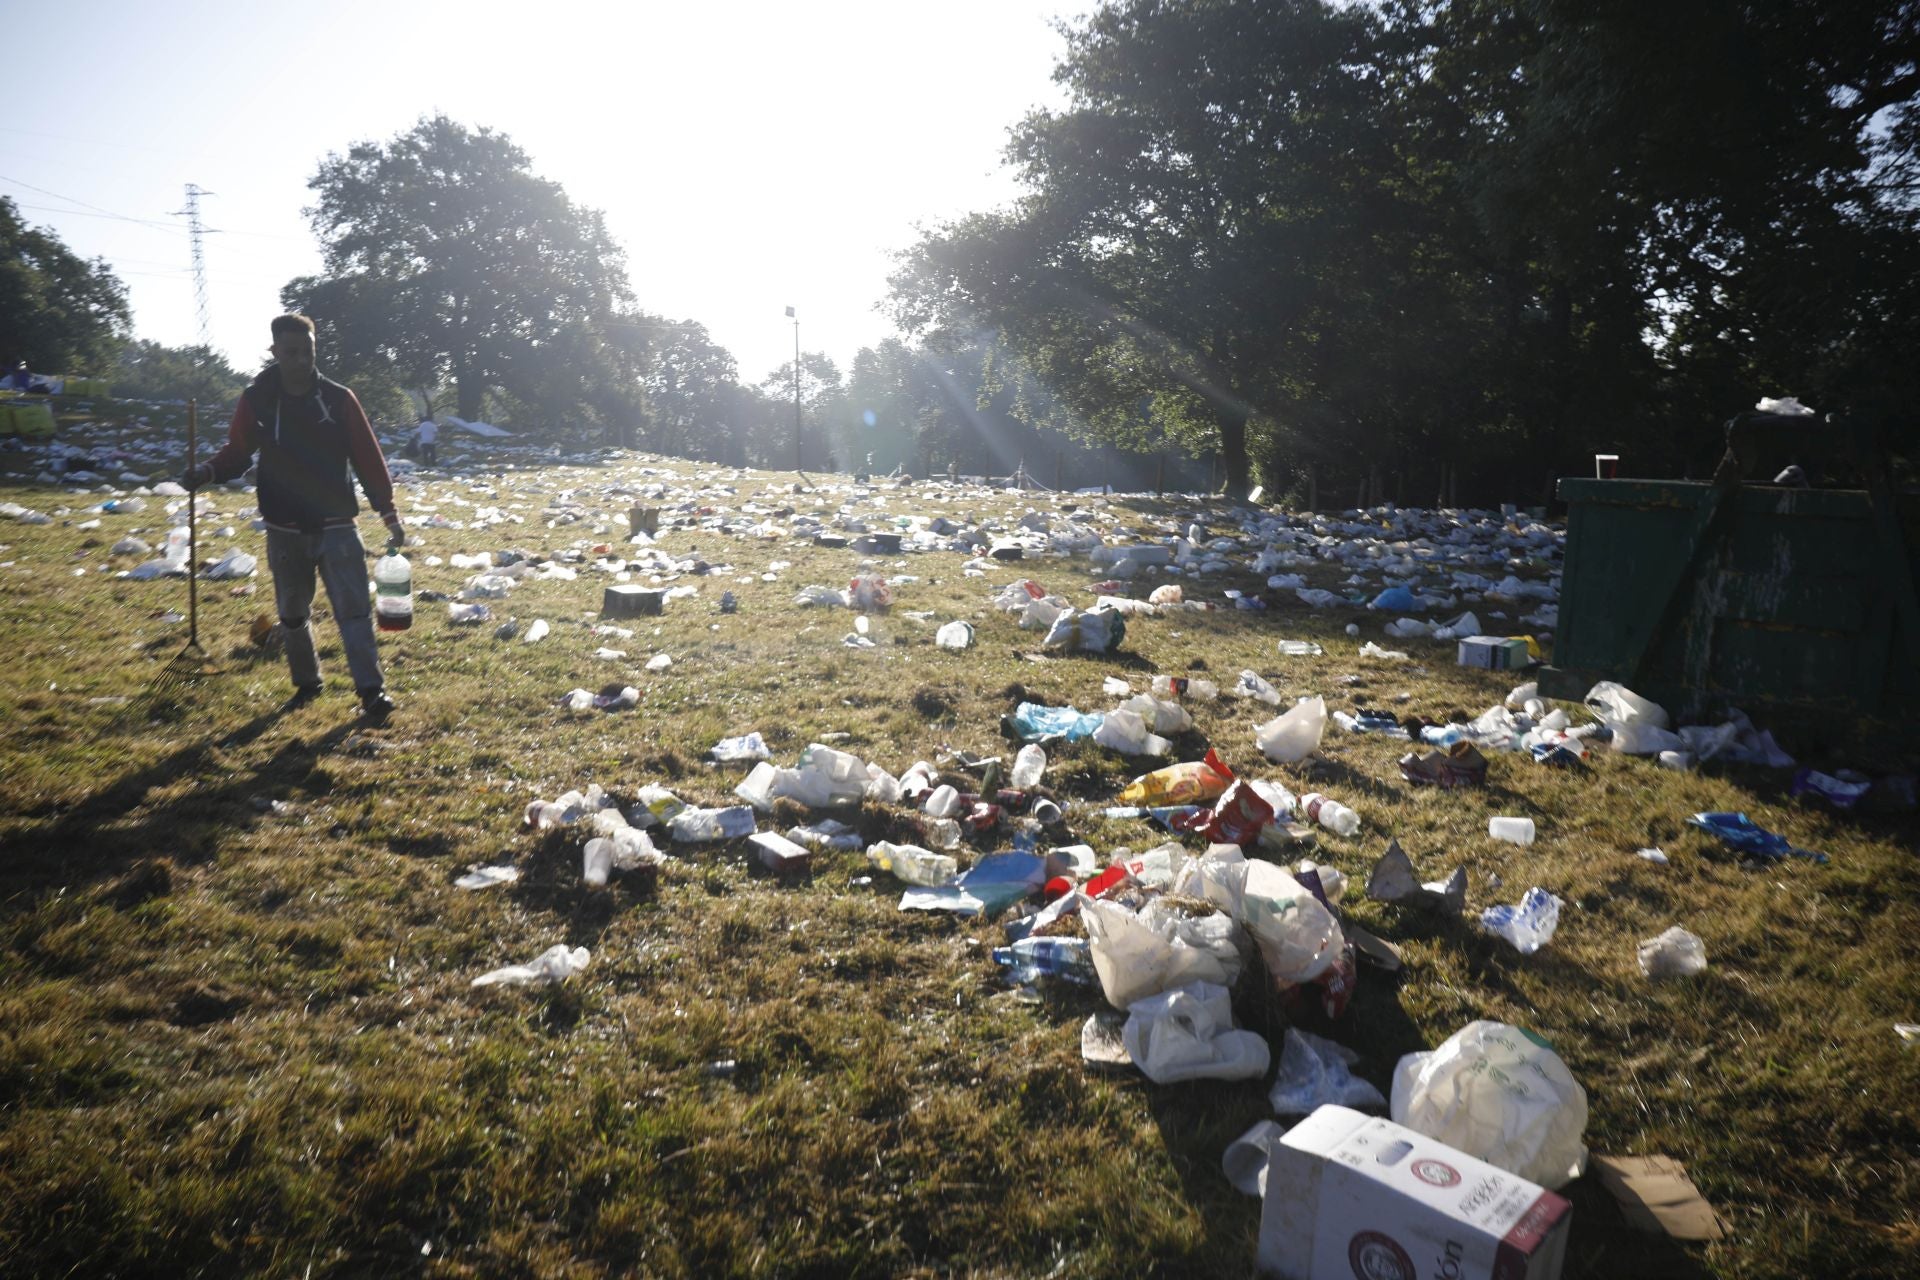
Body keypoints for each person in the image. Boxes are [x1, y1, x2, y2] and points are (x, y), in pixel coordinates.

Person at [180, 314, 406, 722]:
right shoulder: (258, 399)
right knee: (292, 612)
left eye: (308, 352)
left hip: (337, 523)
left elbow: (368, 457)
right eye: (291, 353)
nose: (301, 361)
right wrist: (206, 473)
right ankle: (307, 682)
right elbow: (238, 451)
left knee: (353, 610)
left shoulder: (338, 399)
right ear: (275, 352)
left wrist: (388, 512)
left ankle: (372, 692)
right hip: (283, 526)